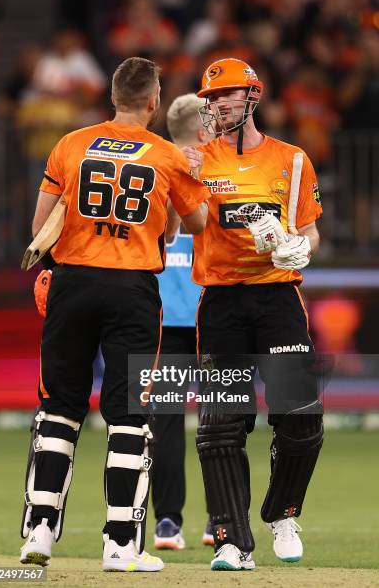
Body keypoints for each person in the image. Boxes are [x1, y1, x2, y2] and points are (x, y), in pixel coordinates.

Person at [19, 56, 209, 572]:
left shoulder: (71, 144)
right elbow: (190, 225)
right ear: (154, 101)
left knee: (59, 408)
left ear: (112, 97)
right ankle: (121, 544)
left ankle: (39, 530)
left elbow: (40, 227)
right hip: (132, 289)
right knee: (128, 418)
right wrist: (188, 181)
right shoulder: (167, 155)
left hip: (73, 284)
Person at [182, 57, 323, 571]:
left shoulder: (292, 159)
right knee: (222, 426)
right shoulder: (197, 159)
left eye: (228, 95)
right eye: (211, 97)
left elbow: (308, 229)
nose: (218, 103)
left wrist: (299, 249)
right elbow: (187, 223)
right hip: (222, 301)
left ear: (253, 96)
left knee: (300, 420)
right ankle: (230, 541)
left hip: (278, 298)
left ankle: (282, 513)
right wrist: (186, 182)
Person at [151, 93, 214, 550]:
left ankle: (167, 523)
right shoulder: (214, 177)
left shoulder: (151, 173)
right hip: (213, 319)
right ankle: (220, 520)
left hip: (160, 326)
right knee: (222, 422)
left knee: (164, 422)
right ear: (201, 129)